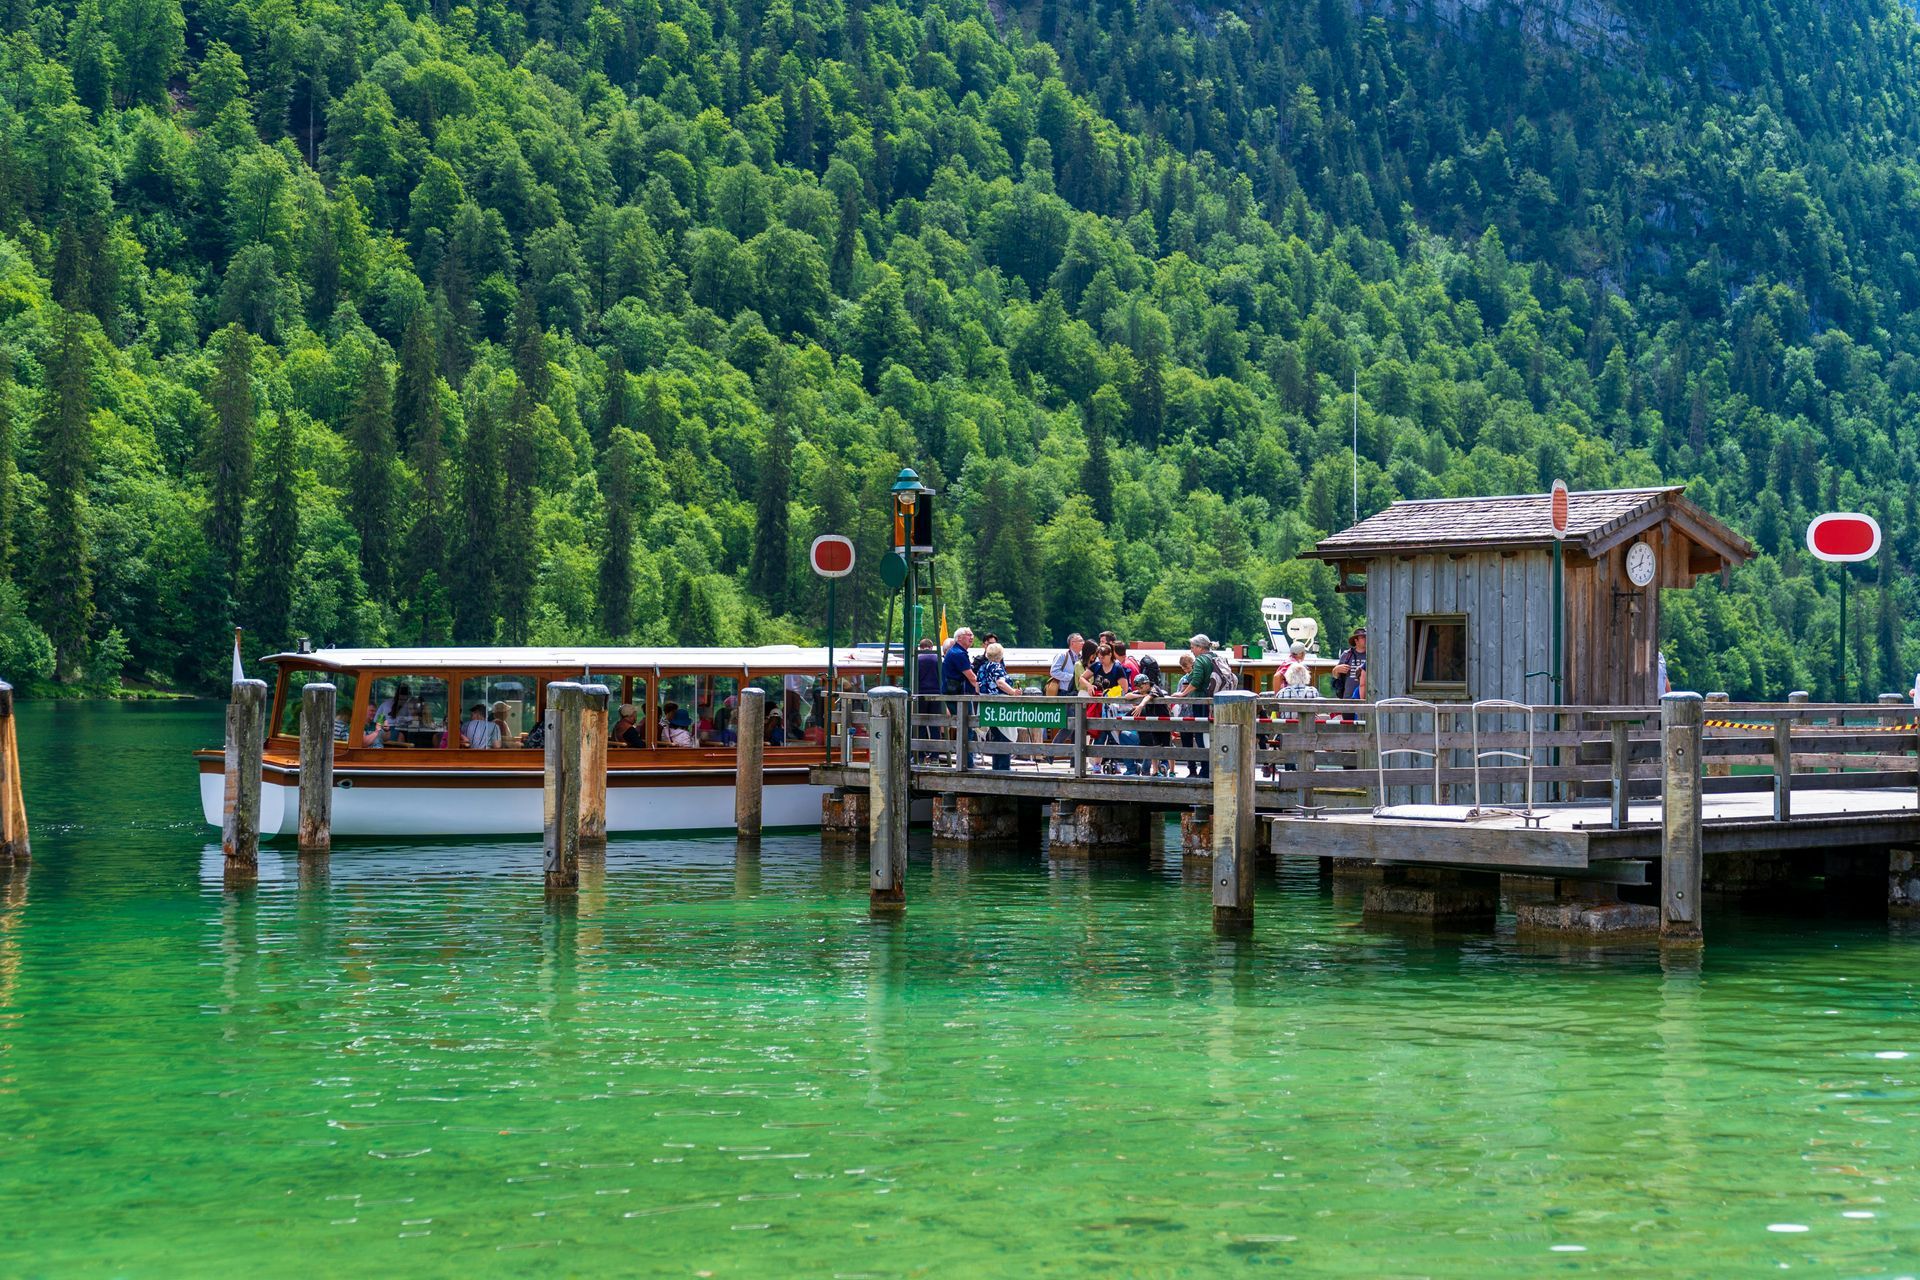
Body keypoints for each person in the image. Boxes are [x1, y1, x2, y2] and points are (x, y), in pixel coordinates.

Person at [976, 641, 1017, 771]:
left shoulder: (982, 667)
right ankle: (1004, 769)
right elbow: (1000, 683)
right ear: (1000, 655)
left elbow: (977, 687)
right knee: (1005, 738)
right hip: (1000, 706)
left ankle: (996, 768)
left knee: (995, 737)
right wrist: (1013, 692)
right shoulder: (997, 667)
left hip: (986, 707)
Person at [1176, 648, 1210, 778]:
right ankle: (1192, 769)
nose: (1186, 671)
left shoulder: (1196, 677)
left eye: (1188, 667)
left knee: (1201, 742)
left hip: (1195, 712)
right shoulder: (1183, 680)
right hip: (1187, 714)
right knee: (1188, 744)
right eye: (1184, 669)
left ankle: (1202, 768)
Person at [1332, 627, 1368, 700]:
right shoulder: (1347, 654)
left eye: (1366, 637)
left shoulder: (1372, 655)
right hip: (1348, 698)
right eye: (1363, 637)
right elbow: (1335, 675)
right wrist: (1336, 669)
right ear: (1356, 641)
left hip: (1366, 700)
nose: (1366, 639)